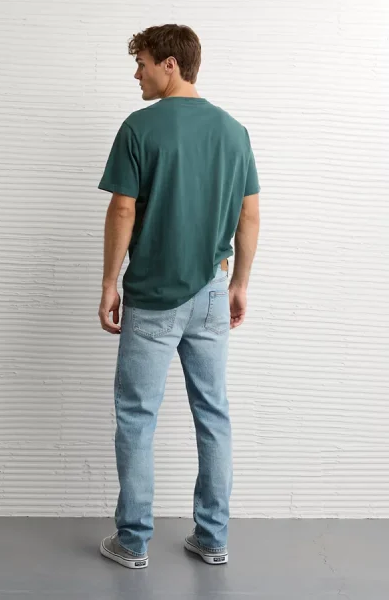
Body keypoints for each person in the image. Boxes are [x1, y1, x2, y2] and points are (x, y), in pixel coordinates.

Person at [97, 24, 260, 569]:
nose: (136, 74)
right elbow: (250, 215)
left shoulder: (139, 128)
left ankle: (132, 542)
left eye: (142, 63)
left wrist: (109, 282)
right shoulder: (234, 131)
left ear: (170, 64)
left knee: (136, 416)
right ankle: (213, 538)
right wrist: (239, 284)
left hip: (153, 294)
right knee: (213, 413)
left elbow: (123, 208)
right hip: (212, 291)